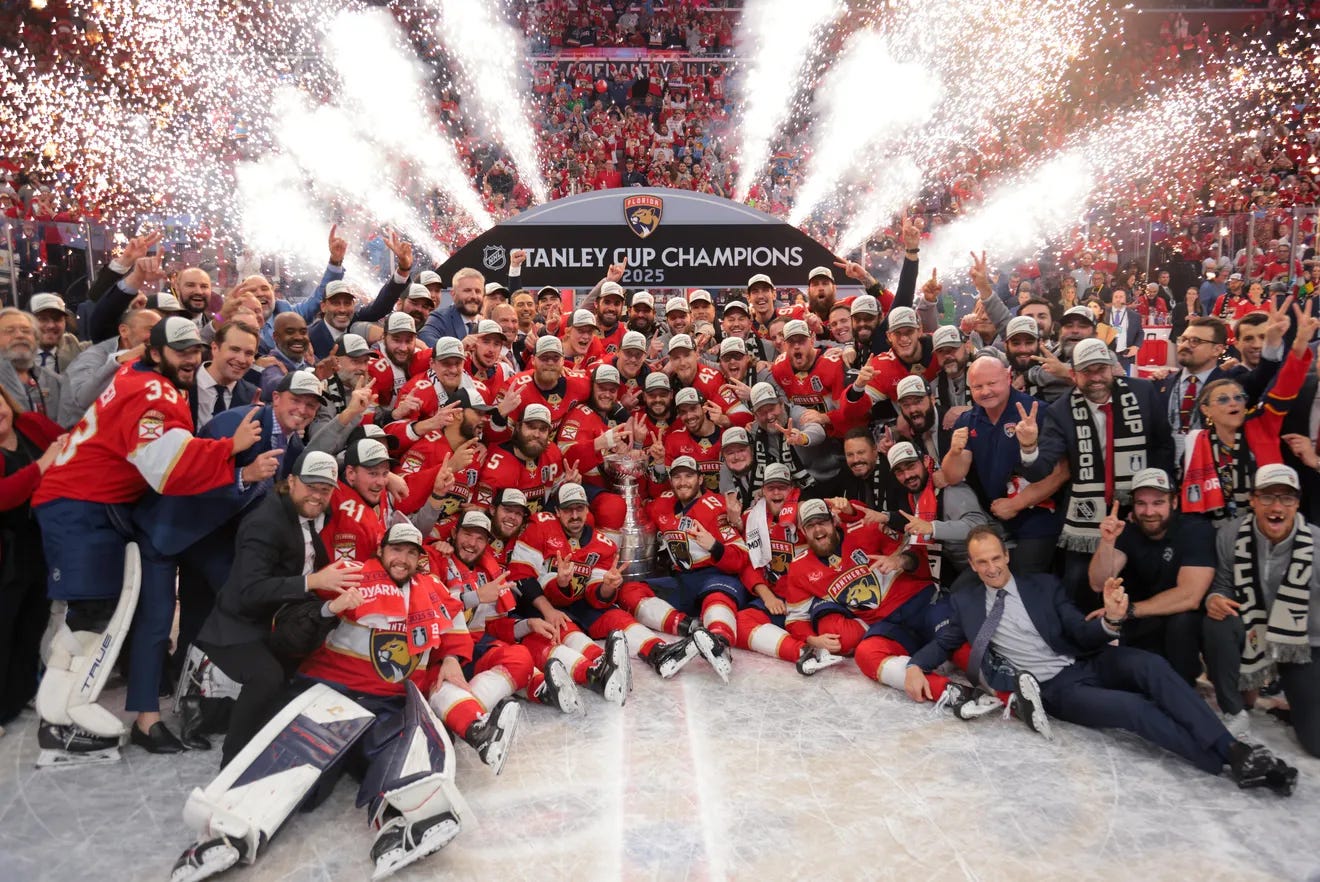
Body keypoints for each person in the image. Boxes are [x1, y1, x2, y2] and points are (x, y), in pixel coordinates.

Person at [907, 526, 1298, 794]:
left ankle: (1231, 749)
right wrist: (913, 666)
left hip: (1085, 660)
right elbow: (945, 642)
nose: (991, 568)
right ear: (972, 564)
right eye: (981, 562)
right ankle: (1230, 758)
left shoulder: (1042, 585)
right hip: (1055, 689)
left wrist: (1110, 619)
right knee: (1134, 709)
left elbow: (1080, 632)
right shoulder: (967, 602)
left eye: (996, 558)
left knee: (1151, 666)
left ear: (1007, 555)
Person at [34, 317, 261, 759]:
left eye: (194, 350)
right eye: (180, 351)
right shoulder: (156, 392)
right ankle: (57, 720)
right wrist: (230, 449)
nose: (190, 359)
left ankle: (63, 716)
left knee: (94, 614)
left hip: (96, 504)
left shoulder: (137, 374)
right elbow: (167, 468)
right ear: (155, 353)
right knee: (89, 616)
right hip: (87, 505)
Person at [195, 451, 367, 767]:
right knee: (267, 677)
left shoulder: (308, 512)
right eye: (311, 486)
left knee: (311, 666)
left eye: (325, 489)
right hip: (236, 627)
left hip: (277, 621)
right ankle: (233, 763)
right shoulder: (264, 523)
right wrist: (314, 581)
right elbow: (250, 590)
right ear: (291, 481)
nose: (318, 496)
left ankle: (278, 747)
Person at [1017, 338, 1174, 606]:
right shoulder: (1060, 411)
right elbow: (1039, 470)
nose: (1096, 378)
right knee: (1078, 588)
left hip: (1138, 509)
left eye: (1101, 369)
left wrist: (1153, 495)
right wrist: (1029, 446)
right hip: (1086, 517)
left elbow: (1163, 446)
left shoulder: (1143, 392)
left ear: (1112, 367)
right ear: (1073, 375)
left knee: (1143, 585)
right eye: (1086, 371)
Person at [1203, 464, 1320, 757]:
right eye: (1267, 496)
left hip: (1302, 645)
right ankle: (1234, 711)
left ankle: (1296, 702)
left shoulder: (1317, 544)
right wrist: (1214, 598)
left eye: (1287, 498)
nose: (1277, 507)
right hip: (1252, 635)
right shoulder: (1230, 535)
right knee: (1217, 622)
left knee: (1317, 741)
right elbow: (1223, 584)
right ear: (1253, 500)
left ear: (1297, 503)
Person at [1180, 309, 1315, 524]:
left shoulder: (1262, 423)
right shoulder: (1196, 443)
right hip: (1214, 529)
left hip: (1271, 524)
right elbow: (1188, 500)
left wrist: (1300, 343)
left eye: (1239, 397)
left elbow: (1286, 383)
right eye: (1223, 399)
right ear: (1206, 410)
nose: (1233, 402)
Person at [1088, 468, 1216, 686]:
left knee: (1182, 622)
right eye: (1141, 503)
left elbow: (1190, 596)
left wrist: (1128, 611)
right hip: (1143, 621)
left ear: (1174, 502)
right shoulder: (1127, 531)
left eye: (1158, 503)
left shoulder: (1196, 531)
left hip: (1182, 622)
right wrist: (1107, 542)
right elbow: (1098, 583)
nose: (1149, 511)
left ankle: (1183, 690)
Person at [942, 355, 1064, 575]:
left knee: (1023, 577)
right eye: (978, 386)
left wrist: (1017, 504)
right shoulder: (968, 420)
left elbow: (1061, 472)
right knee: (977, 576)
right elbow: (953, 476)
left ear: (1008, 377)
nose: (986, 391)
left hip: (1037, 516)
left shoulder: (1035, 411)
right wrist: (954, 452)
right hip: (995, 519)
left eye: (992, 383)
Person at [0, 386, 64, 732]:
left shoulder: (32, 425)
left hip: (40, 543)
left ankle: (21, 693)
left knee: (32, 623)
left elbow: (69, 440)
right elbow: (4, 495)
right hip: (7, 553)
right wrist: (42, 465)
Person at [29, 292, 87, 373]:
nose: (51, 325)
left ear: (65, 322)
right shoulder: (15, 356)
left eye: (57, 319)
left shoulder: (74, 347)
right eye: (43, 319)